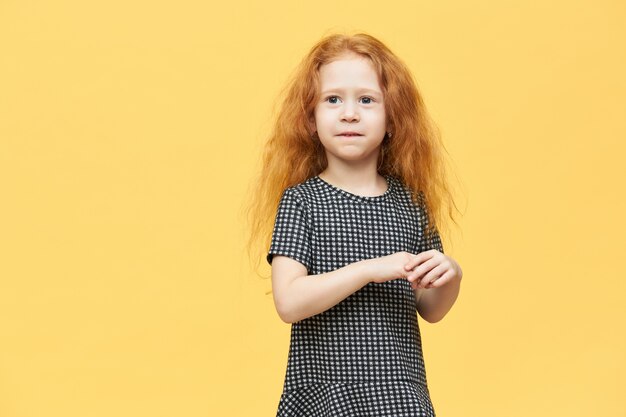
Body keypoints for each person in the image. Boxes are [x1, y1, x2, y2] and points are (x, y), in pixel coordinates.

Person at [245, 32, 463, 417]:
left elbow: (430, 308)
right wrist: (369, 269)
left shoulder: (412, 204)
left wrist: (452, 276)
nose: (350, 113)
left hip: (399, 396)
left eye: (366, 100)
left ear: (392, 118)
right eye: (332, 100)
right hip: (324, 398)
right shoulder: (302, 202)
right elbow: (289, 301)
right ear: (310, 120)